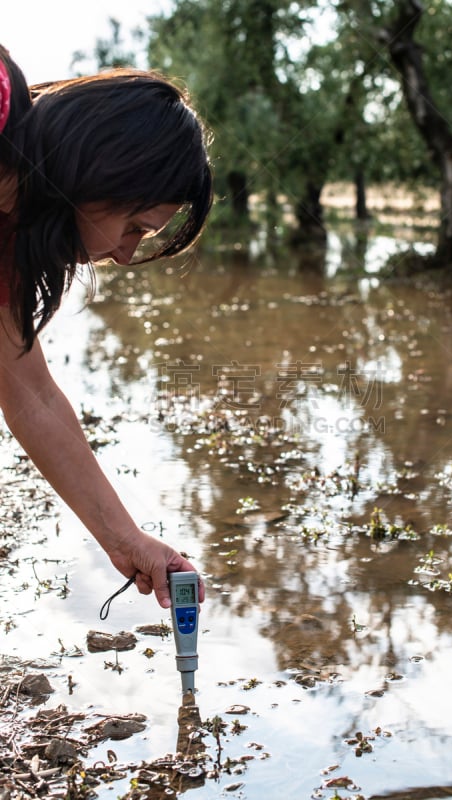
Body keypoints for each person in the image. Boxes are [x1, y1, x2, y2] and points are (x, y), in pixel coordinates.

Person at [0, 45, 212, 609]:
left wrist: (127, 540)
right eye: (134, 227)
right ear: (99, 168)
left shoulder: (12, 242)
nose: (123, 256)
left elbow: (31, 396)